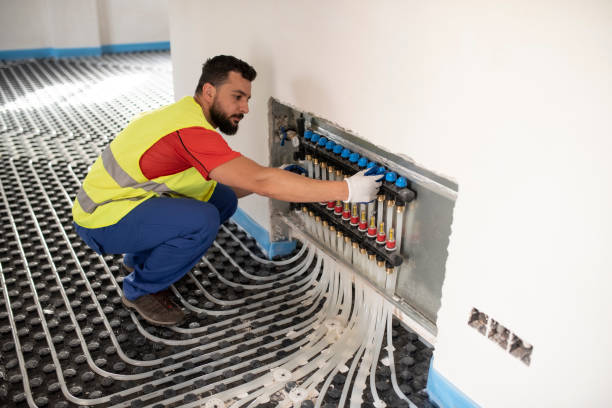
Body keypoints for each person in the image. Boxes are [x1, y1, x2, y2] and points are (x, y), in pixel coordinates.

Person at [72, 55, 381, 326]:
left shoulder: (185, 116)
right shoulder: (191, 132)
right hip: (100, 220)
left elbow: (242, 183)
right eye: (237, 97)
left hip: (124, 205)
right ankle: (140, 289)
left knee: (222, 200)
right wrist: (346, 190)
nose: (245, 107)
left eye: (247, 98)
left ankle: (139, 257)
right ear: (209, 91)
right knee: (202, 220)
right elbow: (260, 179)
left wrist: (281, 179)